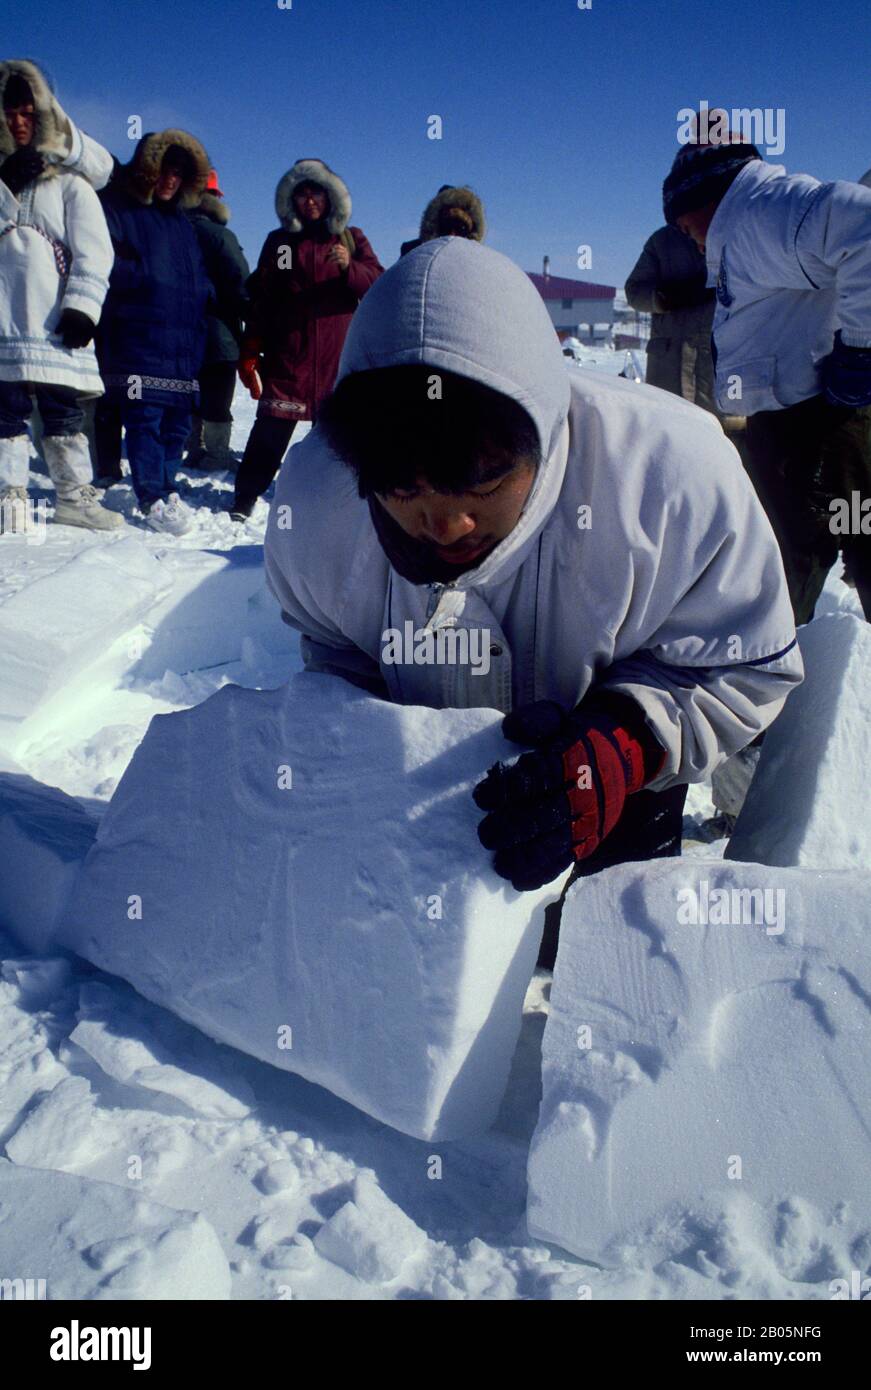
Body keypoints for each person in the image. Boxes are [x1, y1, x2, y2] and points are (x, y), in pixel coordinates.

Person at [263, 239, 803, 968]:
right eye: (403, 489)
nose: (446, 524)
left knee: (610, 976)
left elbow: (741, 666)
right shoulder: (315, 501)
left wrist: (626, 743)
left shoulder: (671, 475)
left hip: (615, 783)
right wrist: (355, 741)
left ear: (541, 437)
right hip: (423, 803)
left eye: (480, 485)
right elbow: (334, 649)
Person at [664, 130, 871, 623]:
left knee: (787, 566)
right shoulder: (747, 224)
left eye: (682, 223)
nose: (684, 236)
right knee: (819, 546)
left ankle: (763, 676)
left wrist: (863, 351)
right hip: (797, 424)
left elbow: (865, 226)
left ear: (703, 199)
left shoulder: (762, 212)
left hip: (820, 425)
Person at [0, 59, 121, 532]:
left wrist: (83, 308)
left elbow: (95, 251)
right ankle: (10, 499)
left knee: (62, 410)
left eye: (28, 111)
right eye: (9, 112)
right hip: (4, 318)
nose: (18, 120)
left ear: (44, 115)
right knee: (5, 410)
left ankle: (73, 496)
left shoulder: (72, 183)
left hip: (55, 320)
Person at [230, 158, 383, 522]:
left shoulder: (352, 238)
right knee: (270, 431)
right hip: (290, 354)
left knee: (335, 441)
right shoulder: (282, 243)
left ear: (330, 198)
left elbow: (377, 283)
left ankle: (333, 501)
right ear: (291, 202)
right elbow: (266, 297)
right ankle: (245, 496)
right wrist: (251, 346)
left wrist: (350, 267)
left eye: (316, 192)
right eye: (301, 194)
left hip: (336, 356)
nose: (309, 200)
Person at [96, 129, 213, 535]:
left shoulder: (182, 223)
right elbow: (103, 259)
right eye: (164, 170)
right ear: (148, 169)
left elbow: (199, 276)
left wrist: (204, 297)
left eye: (179, 174)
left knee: (177, 425)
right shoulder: (119, 207)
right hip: (137, 337)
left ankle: (167, 486)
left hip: (182, 342)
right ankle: (150, 498)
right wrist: (144, 278)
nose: (170, 180)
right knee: (144, 418)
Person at [184, 168, 250, 470]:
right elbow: (241, 284)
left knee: (189, 391)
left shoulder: (172, 232)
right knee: (218, 397)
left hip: (180, 334)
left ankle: (192, 448)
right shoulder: (221, 236)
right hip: (219, 333)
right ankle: (217, 455)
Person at [624, 224, 716, 412]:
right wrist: (665, 298)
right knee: (669, 430)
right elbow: (634, 292)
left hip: (715, 379)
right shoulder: (662, 242)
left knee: (724, 433)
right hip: (669, 372)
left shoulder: (739, 231)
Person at [399, 184, 485, 257]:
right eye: (446, 227)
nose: (452, 234)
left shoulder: (479, 258)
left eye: (460, 228)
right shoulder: (411, 252)